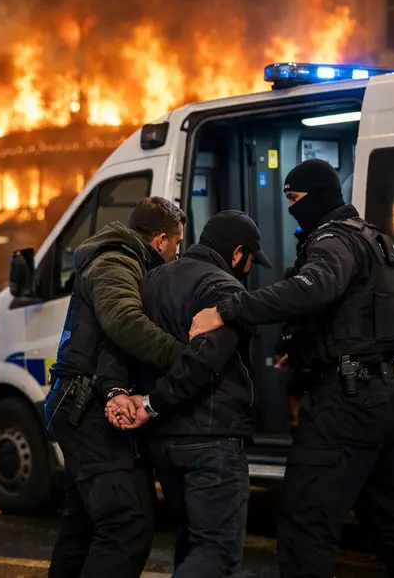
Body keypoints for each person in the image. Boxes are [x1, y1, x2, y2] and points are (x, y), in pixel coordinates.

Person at [189, 159, 394, 578]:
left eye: (293, 198)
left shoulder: (333, 240)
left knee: (305, 526)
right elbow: (352, 315)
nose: (289, 208)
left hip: (345, 407)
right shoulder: (375, 239)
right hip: (382, 397)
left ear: (317, 196)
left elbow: (313, 288)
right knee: (393, 522)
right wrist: (303, 348)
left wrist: (227, 310)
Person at [109, 210, 269, 576]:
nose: (247, 269)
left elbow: (122, 343)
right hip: (210, 439)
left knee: (195, 540)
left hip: (164, 442)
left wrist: (135, 399)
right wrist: (153, 403)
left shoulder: (150, 281)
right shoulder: (223, 288)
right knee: (217, 551)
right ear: (236, 252)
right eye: (248, 261)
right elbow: (203, 361)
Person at [44, 196, 186, 578]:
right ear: (159, 241)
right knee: (127, 523)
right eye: (177, 243)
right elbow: (124, 322)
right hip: (87, 408)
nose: (178, 253)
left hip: (81, 403)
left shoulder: (124, 260)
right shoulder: (115, 261)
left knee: (84, 526)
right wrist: (187, 356)